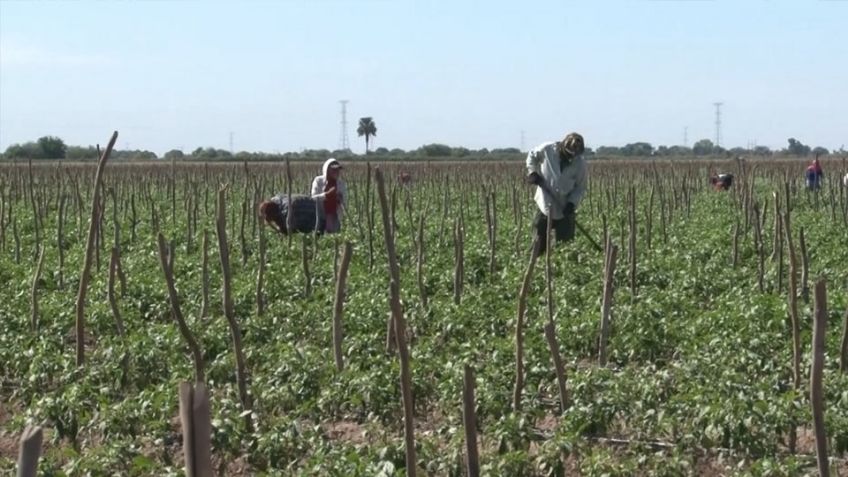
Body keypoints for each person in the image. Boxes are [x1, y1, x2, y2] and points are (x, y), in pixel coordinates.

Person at [525, 132, 587, 255]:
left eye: (575, 155)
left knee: (566, 248)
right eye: (569, 154)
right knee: (538, 243)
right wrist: (533, 172)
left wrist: (571, 204)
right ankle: (535, 262)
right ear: (563, 146)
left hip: (565, 208)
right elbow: (531, 156)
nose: (571, 158)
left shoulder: (580, 163)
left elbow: (580, 188)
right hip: (545, 203)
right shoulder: (547, 149)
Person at [311, 158, 346, 234]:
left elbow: (344, 203)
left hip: (334, 218)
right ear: (327, 170)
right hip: (319, 217)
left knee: (333, 235)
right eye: (333, 170)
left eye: (338, 170)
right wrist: (326, 195)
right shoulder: (318, 181)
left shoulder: (341, 184)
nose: (336, 172)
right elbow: (313, 199)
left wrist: (340, 199)